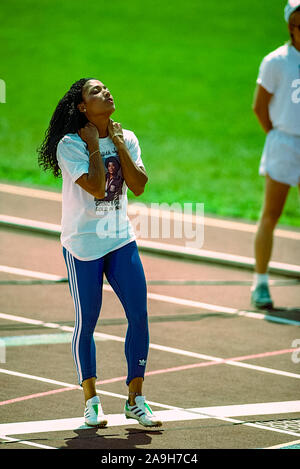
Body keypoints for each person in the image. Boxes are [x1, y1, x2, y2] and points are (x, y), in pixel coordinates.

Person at [38, 77, 162, 428]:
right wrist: (95, 145)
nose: (106, 93)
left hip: (120, 238)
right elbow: (94, 187)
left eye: (106, 89)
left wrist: (118, 144)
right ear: (82, 107)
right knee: (87, 321)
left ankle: (136, 399)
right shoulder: (70, 144)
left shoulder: (129, 137)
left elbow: (138, 185)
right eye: (96, 92)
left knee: (139, 314)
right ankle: (91, 400)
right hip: (83, 245)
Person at [251, 1, 300, 309]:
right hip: (283, 143)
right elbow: (259, 106)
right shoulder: (276, 61)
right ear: (290, 27)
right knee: (271, 214)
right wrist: (277, 135)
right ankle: (261, 283)